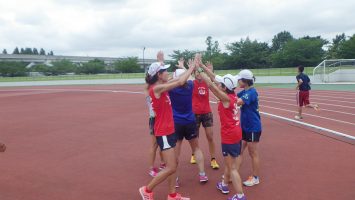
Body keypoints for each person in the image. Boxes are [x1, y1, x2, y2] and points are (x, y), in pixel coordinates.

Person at [139, 51, 195, 200]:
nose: (168, 73)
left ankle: (172, 195)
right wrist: (193, 66)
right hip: (163, 132)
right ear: (159, 75)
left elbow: (176, 79)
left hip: (169, 130)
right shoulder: (156, 89)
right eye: (165, 71)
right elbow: (180, 82)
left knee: (173, 165)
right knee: (171, 167)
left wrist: (163, 63)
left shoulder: (162, 85)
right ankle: (147, 189)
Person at [198, 63, 246, 200]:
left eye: (221, 85)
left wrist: (198, 69)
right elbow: (215, 80)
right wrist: (205, 68)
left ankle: (240, 195)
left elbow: (211, 85)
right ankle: (224, 184)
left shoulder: (225, 99)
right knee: (229, 163)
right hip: (236, 133)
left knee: (232, 168)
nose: (218, 85)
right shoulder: (232, 95)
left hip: (229, 136)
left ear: (224, 88)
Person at [169, 61, 208, 185]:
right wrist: (186, 68)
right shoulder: (190, 85)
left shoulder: (172, 88)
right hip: (190, 121)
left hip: (176, 122)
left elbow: (173, 80)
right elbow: (189, 76)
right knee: (196, 148)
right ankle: (202, 174)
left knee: (176, 151)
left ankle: (174, 179)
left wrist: (179, 72)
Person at [191, 55, 219, 170]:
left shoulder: (206, 82)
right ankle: (193, 154)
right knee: (194, 137)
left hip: (207, 112)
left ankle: (213, 159)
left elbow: (215, 82)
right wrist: (190, 67)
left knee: (210, 136)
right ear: (194, 73)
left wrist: (210, 71)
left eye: (200, 72)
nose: (198, 74)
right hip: (195, 113)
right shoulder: (191, 83)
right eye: (196, 72)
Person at [235, 70, 262, 187]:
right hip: (246, 126)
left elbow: (238, 102)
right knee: (239, 151)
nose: (237, 81)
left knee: (253, 153)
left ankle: (255, 178)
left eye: (239, 79)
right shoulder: (244, 91)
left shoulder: (251, 92)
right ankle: (233, 173)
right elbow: (233, 96)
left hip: (253, 127)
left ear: (245, 81)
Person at [144, 84, 165, 177]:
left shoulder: (156, 92)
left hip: (161, 119)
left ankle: (163, 163)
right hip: (155, 119)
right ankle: (151, 168)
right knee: (155, 144)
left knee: (163, 144)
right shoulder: (152, 93)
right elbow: (146, 87)